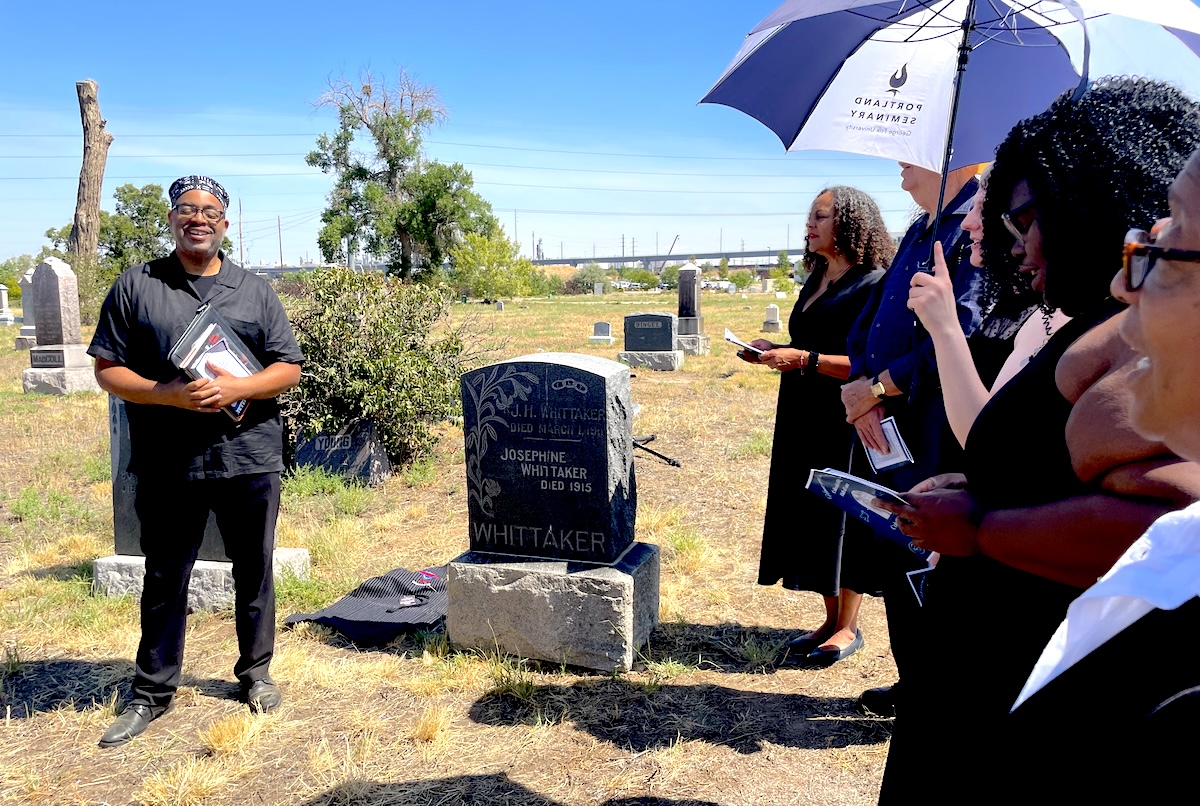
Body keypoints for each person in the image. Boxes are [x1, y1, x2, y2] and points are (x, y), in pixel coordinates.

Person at [873, 78, 1200, 801]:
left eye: (1026, 217)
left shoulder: (1139, 340)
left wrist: (983, 529)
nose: (1016, 242)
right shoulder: (1088, 324)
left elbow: (1170, 524)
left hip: (1034, 676)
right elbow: (1057, 469)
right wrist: (979, 486)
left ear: (1090, 201)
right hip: (991, 660)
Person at [88, 175, 304, 748]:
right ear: (172, 220)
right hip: (169, 460)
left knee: (254, 568)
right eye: (187, 209)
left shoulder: (255, 291)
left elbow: (288, 367)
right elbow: (107, 369)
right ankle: (151, 692)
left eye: (210, 210)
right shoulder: (137, 285)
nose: (198, 218)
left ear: (225, 224)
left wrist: (241, 387)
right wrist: (167, 395)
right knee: (164, 575)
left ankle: (256, 674)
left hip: (248, 455)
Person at [839, 161, 982, 716]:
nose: (901, 160)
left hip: (933, 424)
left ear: (954, 159)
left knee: (929, 547)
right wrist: (862, 389)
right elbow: (868, 323)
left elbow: (958, 334)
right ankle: (913, 681)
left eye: (913, 151)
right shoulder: (922, 228)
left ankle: (937, 691)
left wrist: (878, 387)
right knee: (895, 543)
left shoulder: (971, 227)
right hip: (886, 423)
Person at [742, 186, 894, 664]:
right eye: (811, 216)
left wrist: (805, 359)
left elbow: (870, 361)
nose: (810, 224)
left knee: (842, 513)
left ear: (848, 223)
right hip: (802, 408)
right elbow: (808, 340)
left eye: (821, 216)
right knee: (812, 512)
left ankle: (848, 626)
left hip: (845, 414)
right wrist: (771, 350)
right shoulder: (817, 278)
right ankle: (829, 619)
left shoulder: (873, 284)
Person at [907, 166, 1070, 448]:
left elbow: (989, 446)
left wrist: (945, 328)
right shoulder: (1009, 302)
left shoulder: (1053, 313)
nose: (967, 223)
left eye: (983, 209)